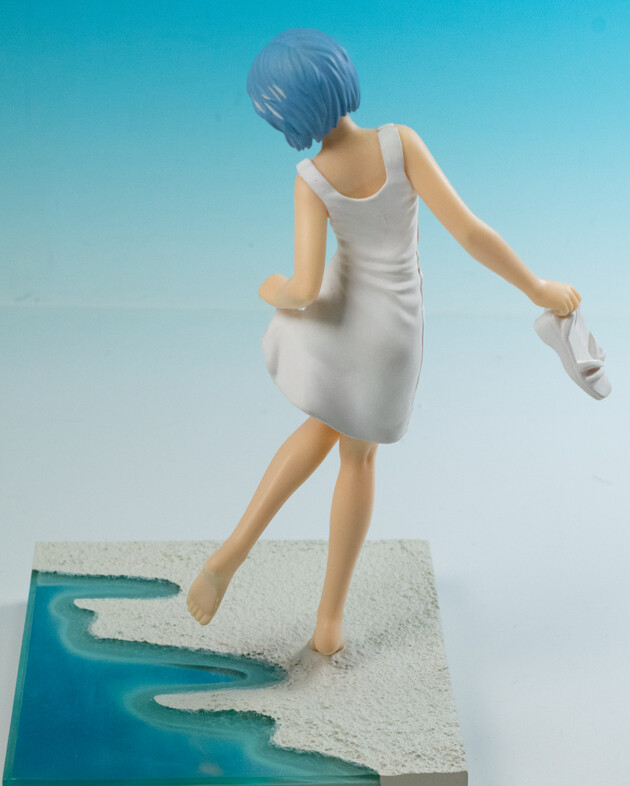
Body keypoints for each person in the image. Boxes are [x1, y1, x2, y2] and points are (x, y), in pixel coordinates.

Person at [186, 28, 581, 654]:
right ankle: (328, 624)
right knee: (358, 458)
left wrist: (270, 287)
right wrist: (536, 287)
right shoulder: (401, 143)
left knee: (320, 428)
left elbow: (303, 289)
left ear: (287, 114)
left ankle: (232, 552)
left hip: (342, 319)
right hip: (393, 331)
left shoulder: (311, 177)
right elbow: (470, 232)